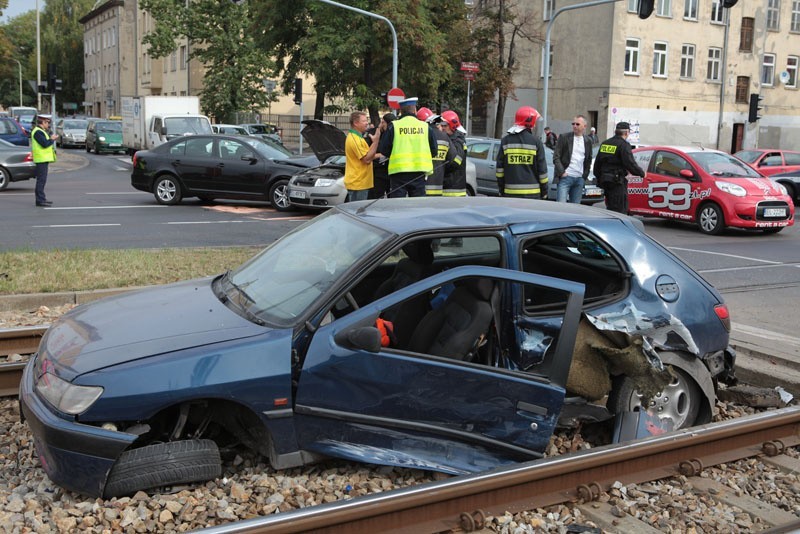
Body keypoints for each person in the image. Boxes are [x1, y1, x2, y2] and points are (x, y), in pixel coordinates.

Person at [378, 97, 437, 198]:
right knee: (417, 206)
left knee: (398, 207)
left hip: (398, 173)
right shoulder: (425, 127)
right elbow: (434, 150)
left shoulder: (394, 126)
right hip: (419, 172)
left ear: (401, 111)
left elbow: (384, 150)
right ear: (415, 110)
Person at [593, 121, 646, 214]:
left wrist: (599, 178)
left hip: (606, 182)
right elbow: (630, 164)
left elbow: (597, 164)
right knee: (620, 210)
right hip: (617, 182)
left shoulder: (605, 143)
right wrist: (642, 173)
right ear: (626, 133)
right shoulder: (624, 145)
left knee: (610, 208)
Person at [496, 106, 549, 199]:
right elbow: (542, 172)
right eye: (534, 121)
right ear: (530, 121)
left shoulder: (505, 141)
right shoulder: (536, 142)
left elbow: (499, 170)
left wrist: (501, 189)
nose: (535, 125)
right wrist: (544, 192)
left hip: (510, 193)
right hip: (532, 194)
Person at [553, 115, 593, 204]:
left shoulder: (588, 141)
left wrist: (584, 176)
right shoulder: (564, 137)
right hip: (566, 177)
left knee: (575, 209)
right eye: (573, 124)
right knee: (561, 207)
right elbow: (556, 157)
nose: (574, 126)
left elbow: (588, 159)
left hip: (579, 179)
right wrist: (562, 172)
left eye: (577, 124)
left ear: (584, 126)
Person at [344, 111, 381, 202]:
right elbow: (367, 159)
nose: (367, 123)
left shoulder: (358, 138)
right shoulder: (354, 139)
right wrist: (376, 141)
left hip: (361, 183)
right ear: (356, 123)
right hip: (358, 183)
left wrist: (380, 154)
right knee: (357, 212)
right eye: (364, 121)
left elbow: (368, 155)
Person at [416, 107, 450, 196]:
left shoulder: (418, 137)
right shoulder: (444, 137)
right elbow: (453, 159)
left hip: (420, 186)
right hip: (438, 187)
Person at [31, 114, 59, 207]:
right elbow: (45, 144)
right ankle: (39, 200)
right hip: (41, 159)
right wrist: (52, 139)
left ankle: (42, 199)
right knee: (41, 180)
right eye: (47, 122)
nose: (48, 125)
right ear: (43, 122)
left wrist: (51, 139)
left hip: (43, 159)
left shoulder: (41, 131)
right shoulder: (38, 132)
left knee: (42, 180)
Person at [440, 110, 467, 197]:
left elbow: (456, 161)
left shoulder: (458, 141)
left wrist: (441, 168)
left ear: (452, 125)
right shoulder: (448, 139)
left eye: (445, 125)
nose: (442, 128)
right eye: (441, 125)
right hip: (447, 186)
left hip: (454, 189)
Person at [369, 113, 395, 199]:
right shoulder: (375, 133)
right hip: (379, 172)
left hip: (391, 172)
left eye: (383, 122)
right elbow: (368, 155)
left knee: (393, 198)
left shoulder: (394, 134)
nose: (381, 124)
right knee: (376, 197)